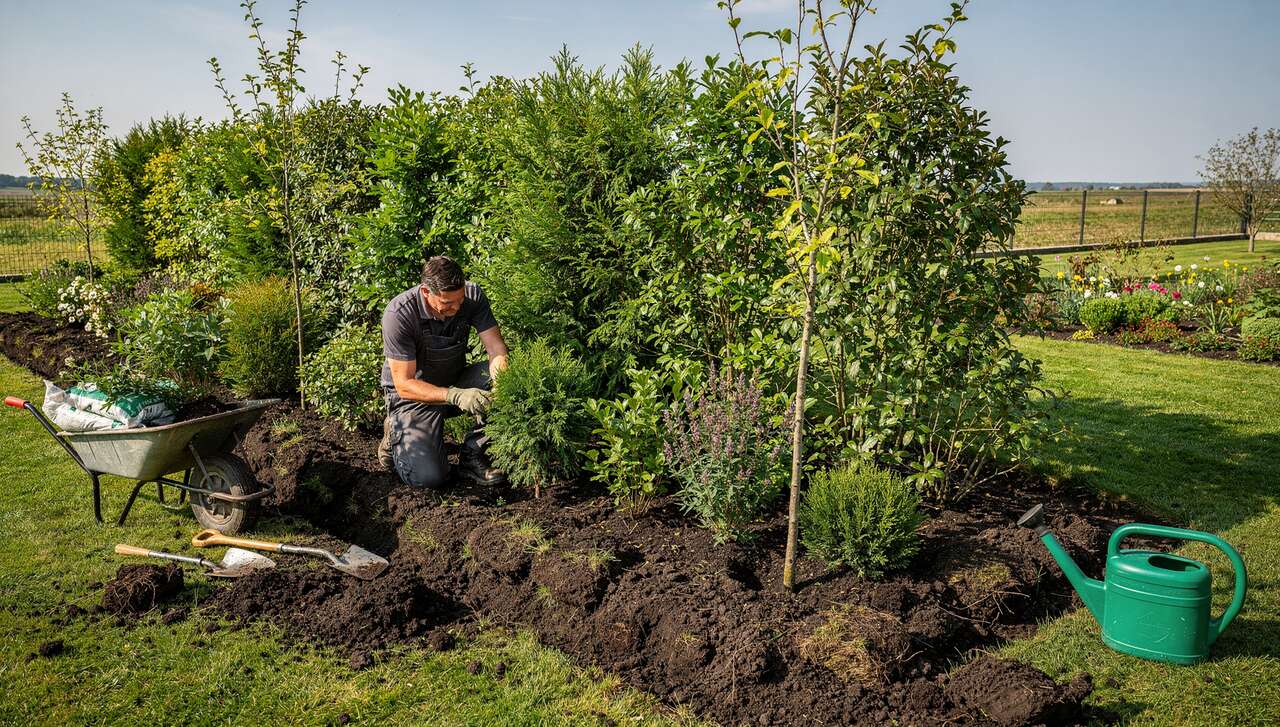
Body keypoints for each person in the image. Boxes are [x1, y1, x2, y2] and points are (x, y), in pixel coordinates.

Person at [378, 256, 509, 488]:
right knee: (430, 478)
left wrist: (501, 388)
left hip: (455, 381)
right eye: (448, 303)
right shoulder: (399, 315)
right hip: (412, 400)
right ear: (426, 291)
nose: (457, 308)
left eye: (460, 301)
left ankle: (471, 455)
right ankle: (395, 434)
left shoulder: (472, 295)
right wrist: (456, 395)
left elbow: (496, 348)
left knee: (506, 376)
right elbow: (404, 384)